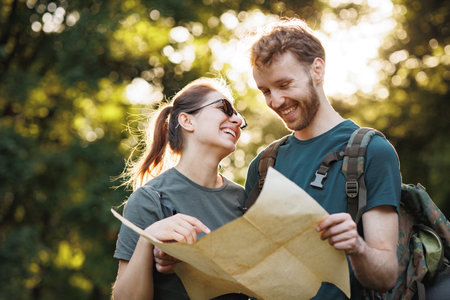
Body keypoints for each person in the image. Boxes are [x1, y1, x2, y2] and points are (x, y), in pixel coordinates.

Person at [244, 18, 401, 299]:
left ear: (317, 70)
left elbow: (386, 274)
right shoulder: (264, 166)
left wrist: (357, 246)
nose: (276, 101)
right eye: (266, 91)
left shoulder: (372, 151)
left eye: (284, 84)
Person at [112, 77, 249, 300]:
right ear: (187, 121)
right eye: (225, 109)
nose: (237, 120)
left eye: (239, 117)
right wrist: (148, 239)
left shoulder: (244, 200)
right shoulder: (150, 199)